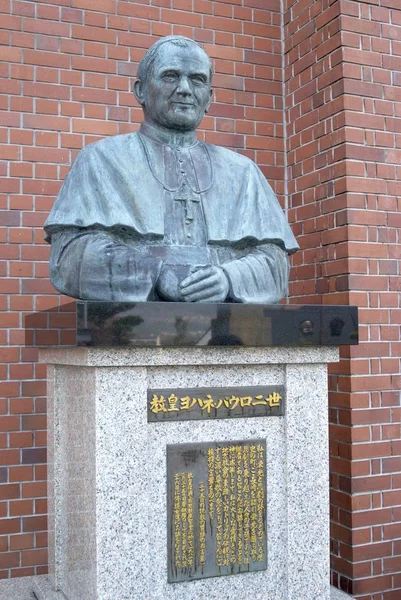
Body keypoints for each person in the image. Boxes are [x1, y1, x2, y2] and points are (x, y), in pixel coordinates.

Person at [44, 36, 299, 303]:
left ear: (209, 98)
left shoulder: (243, 173)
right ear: (140, 91)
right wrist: (154, 275)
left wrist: (228, 279)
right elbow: (68, 255)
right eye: (170, 77)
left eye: (197, 79)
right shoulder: (100, 160)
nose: (185, 89)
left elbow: (275, 263)